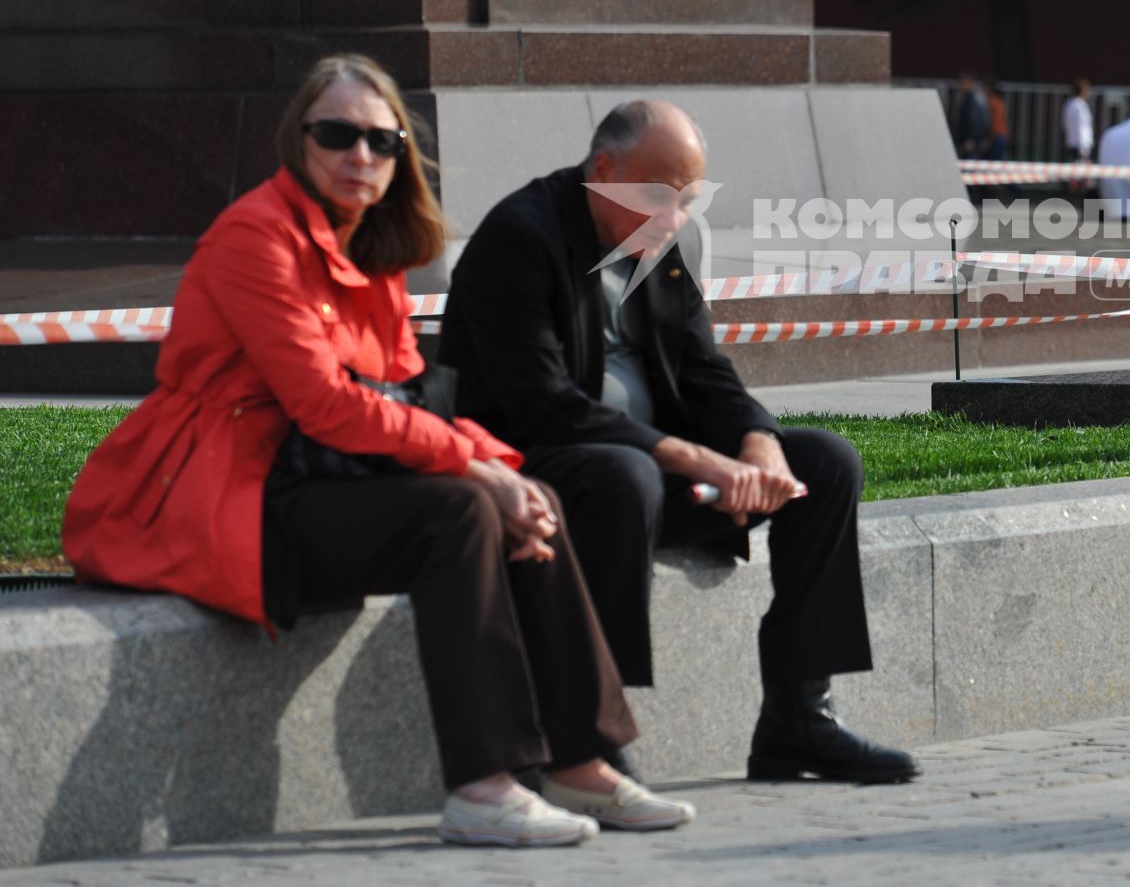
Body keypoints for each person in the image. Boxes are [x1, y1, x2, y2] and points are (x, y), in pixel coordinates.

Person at [60, 55, 689, 849]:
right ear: (300, 140)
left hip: (314, 477)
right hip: (229, 492)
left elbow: (404, 397)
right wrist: (475, 471)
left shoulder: (372, 246)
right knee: (460, 510)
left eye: (382, 141)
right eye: (339, 135)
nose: (361, 155)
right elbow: (321, 401)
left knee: (535, 499)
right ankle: (484, 786)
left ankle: (580, 762)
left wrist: (502, 469)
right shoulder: (256, 234)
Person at [437, 101, 918, 785]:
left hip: (647, 464)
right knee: (621, 474)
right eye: (661, 196)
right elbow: (541, 404)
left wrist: (759, 442)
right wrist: (692, 457)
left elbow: (703, 369)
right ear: (604, 171)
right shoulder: (521, 236)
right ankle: (586, 734)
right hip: (534, 467)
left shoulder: (665, 246)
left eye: (689, 200)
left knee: (826, 464)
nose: (676, 218)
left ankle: (799, 717)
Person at [949, 72, 991, 159]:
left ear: (970, 83)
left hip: (970, 140)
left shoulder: (972, 99)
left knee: (970, 165)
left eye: (964, 83)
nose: (962, 86)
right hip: (967, 139)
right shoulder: (968, 98)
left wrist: (970, 138)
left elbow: (974, 120)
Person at [1061, 79, 1095, 164]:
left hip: (1073, 142)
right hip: (1080, 144)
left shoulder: (1070, 104)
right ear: (1083, 90)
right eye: (1087, 89)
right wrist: (1083, 151)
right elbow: (1081, 127)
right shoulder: (1079, 105)